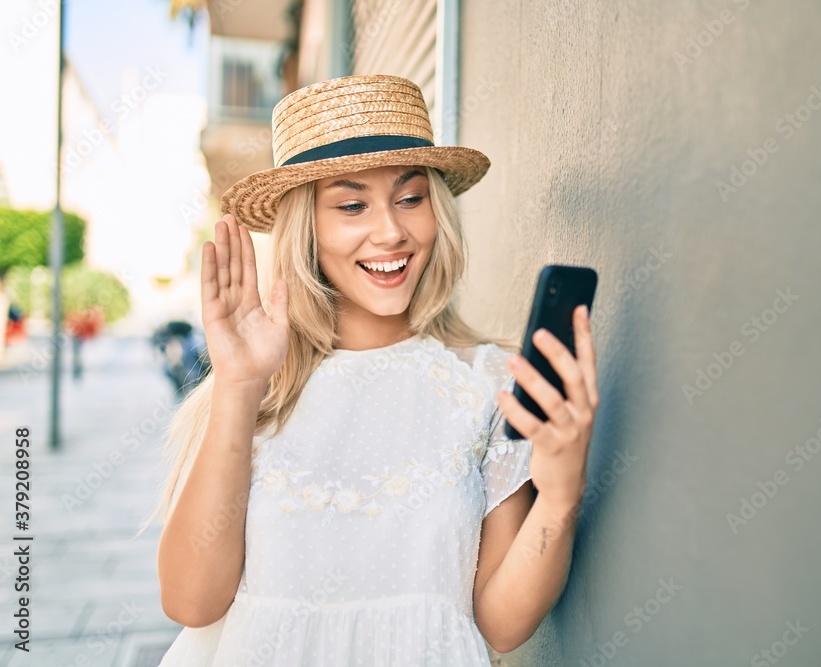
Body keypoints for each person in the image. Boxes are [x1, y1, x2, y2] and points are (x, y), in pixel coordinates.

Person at [145, 74, 600, 665]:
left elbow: (503, 624)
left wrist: (561, 493)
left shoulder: (487, 384)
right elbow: (190, 603)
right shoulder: (255, 384)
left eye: (410, 198)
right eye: (352, 204)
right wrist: (237, 384)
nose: (391, 231)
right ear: (307, 226)